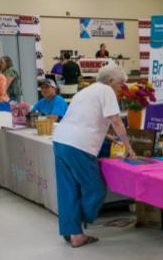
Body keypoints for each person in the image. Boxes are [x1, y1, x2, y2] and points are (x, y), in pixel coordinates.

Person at [52, 65, 136, 248]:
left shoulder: (85, 91)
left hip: (60, 140)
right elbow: (116, 120)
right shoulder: (107, 91)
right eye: (121, 83)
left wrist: (106, 135)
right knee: (95, 189)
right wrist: (129, 147)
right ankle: (76, 228)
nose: (122, 88)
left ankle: (71, 231)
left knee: (68, 190)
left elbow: (81, 118)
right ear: (111, 80)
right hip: (79, 145)